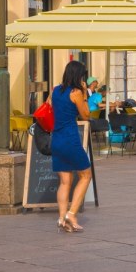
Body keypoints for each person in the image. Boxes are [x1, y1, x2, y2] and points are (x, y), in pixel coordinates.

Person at [51, 61, 93, 233]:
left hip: (56, 139)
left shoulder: (55, 90)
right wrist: (84, 94)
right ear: (78, 76)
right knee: (85, 175)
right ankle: (72, 213)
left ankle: (62, 218)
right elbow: (86, 115)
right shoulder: (76, 93)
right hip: (70, 139)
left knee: (65, 181)